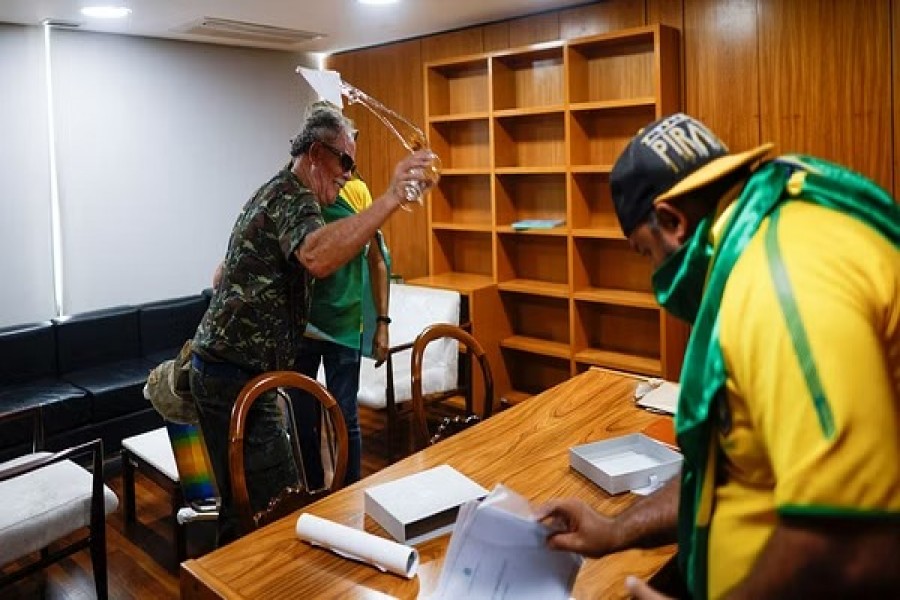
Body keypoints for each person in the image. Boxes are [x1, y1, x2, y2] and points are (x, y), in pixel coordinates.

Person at [537, 113, 900, 599]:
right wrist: (614, 530)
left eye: (644, 253)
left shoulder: (779, 277)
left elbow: (853, 545)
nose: (655, 281)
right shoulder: (758, 240)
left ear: (671, 221)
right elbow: (724, 468)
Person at [189, 102, 434, 545]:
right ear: (317, 152)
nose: (348, 173)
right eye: (345, 160)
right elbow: (318, 257)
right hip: (232, 376)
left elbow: (223, 275)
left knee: (245, 504)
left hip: (229, 371)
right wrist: (393, 197)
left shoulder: (274, 192)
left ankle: (234, 580)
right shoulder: (293, 196)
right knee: (272, 505)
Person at [292, 171, 391, 486]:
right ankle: (312, 489)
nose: (346, 168)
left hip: (346, 325)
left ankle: (350, 492)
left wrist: (383, 323)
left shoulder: (357, 193)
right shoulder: (298, 196)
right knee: (302, 418)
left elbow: (377, 260)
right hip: (301, 327)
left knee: (345, 417)